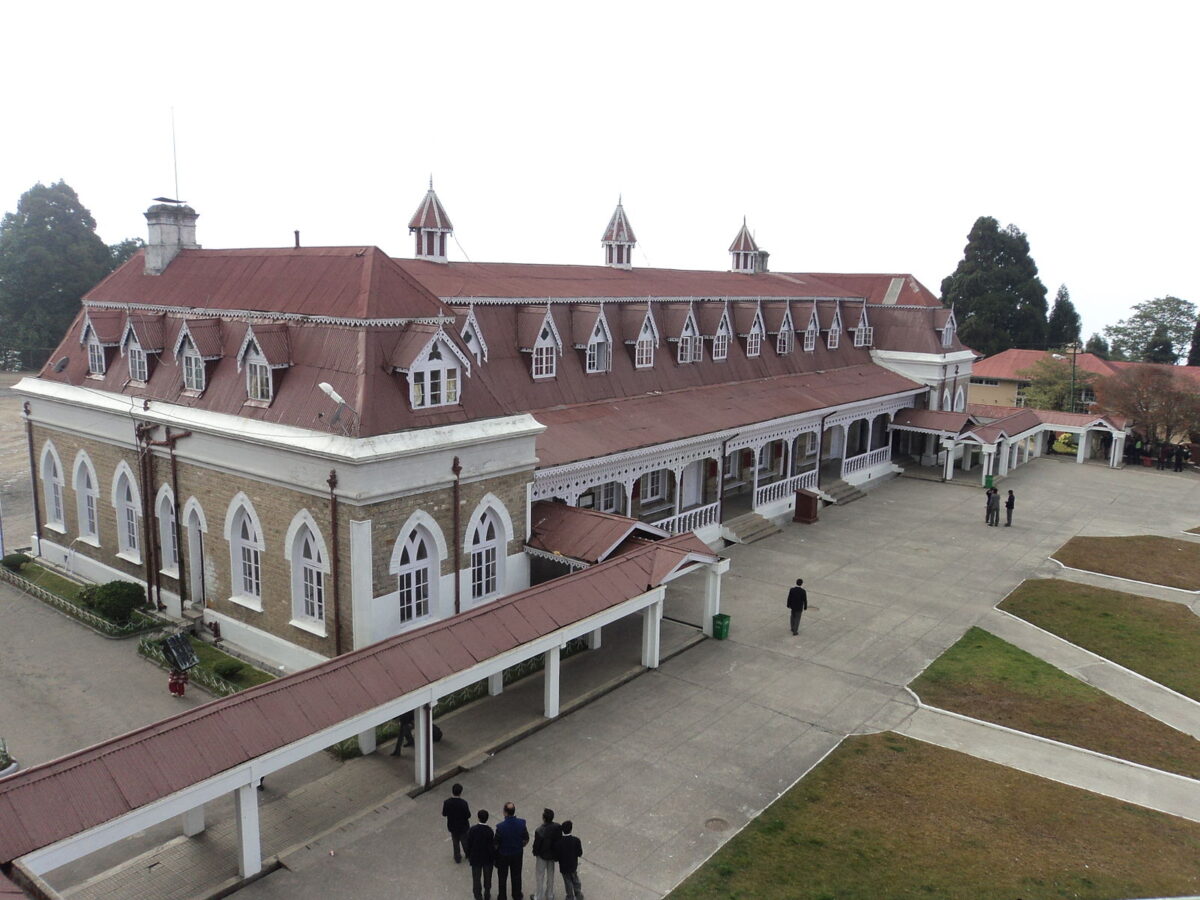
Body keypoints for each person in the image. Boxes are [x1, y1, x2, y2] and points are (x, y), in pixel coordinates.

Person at [494, 801, 529, 900]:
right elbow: (526, 839)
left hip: (503, 855)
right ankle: (517, 895)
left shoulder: (500, 827)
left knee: (502, 877)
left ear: (505, 812)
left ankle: (502, 896)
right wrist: (519, 846)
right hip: (517, 854)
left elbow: (496, 844)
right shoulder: (521, 823)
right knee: (517, 875)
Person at [465, 809, 496, 900]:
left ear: (478, 818)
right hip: (487, 859)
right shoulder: (489, 831)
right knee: (487, 878)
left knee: (476, 878)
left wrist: (469, 855)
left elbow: (469, 844)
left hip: (476, 858)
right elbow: (491, 846)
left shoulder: (472, 830)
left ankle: (478, 895)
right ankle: (487, 894)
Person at [533, 808, 563, 900]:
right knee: (551, 876)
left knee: (540, 876)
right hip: (552, 856)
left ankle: (538, 896)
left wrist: (535, 852)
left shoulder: (539, 830)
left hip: (542, 856)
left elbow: (536, 845)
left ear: (544, 818)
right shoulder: (557, 827)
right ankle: (550, 895)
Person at [442, 782, 472, 864]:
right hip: (463, 827)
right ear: (460, 793)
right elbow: (468, 815)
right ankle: (468, 855)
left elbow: (444, 814)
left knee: (455, 843)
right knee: (465, 842)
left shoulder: (447, 802)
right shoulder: (464, 803)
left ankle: (457, 858)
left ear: (452, 791)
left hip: (452, 827)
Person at [556, 820, 584, 900]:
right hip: (573, 865)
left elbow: (557, 857)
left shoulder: (559, 843)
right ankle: (578, 894)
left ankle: (570, 896)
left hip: (564, 867)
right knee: (575, 879)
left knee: (567, 882)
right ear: (571, 829)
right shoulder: (576, 840)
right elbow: (580, 853)